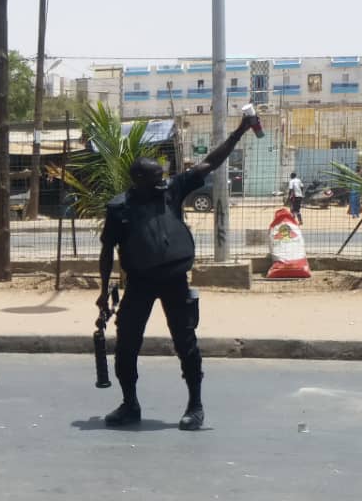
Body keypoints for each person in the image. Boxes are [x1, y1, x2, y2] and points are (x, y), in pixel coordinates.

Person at [98, 114, 258, 431]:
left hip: (175, 282)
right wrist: (103, 293)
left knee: (186, 343)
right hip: (139, 284)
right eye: (156, 178)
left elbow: (210, 163)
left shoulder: (172, 190)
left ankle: (195, 406)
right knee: (126, 345)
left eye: (163, 176)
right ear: (138, 180)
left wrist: (239, 131)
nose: (163, 181)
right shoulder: (120, 209)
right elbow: (106, 252)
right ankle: (130, 404)